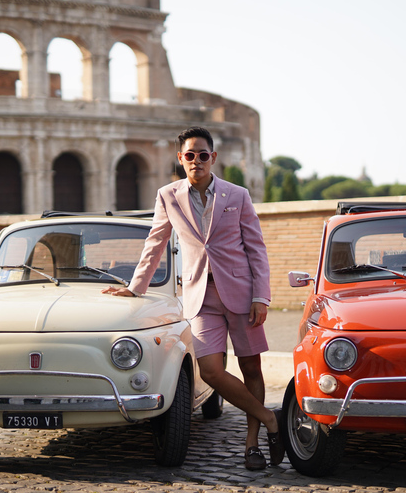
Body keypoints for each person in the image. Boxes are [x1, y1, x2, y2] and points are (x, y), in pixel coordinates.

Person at [101, 126, 283, 470]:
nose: (196, 160)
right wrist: (135, 287)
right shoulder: (168, 195)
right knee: (211, 371)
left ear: (213, 158)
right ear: (180, 159)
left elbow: (256, 250)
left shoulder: (238, 195)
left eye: (203, 155)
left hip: (243, 296)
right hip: (200, 296)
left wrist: (262, 295)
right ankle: (271, 419)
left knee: (251, 367)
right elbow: (155, 243)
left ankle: (252, 443)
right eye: (189, 155)